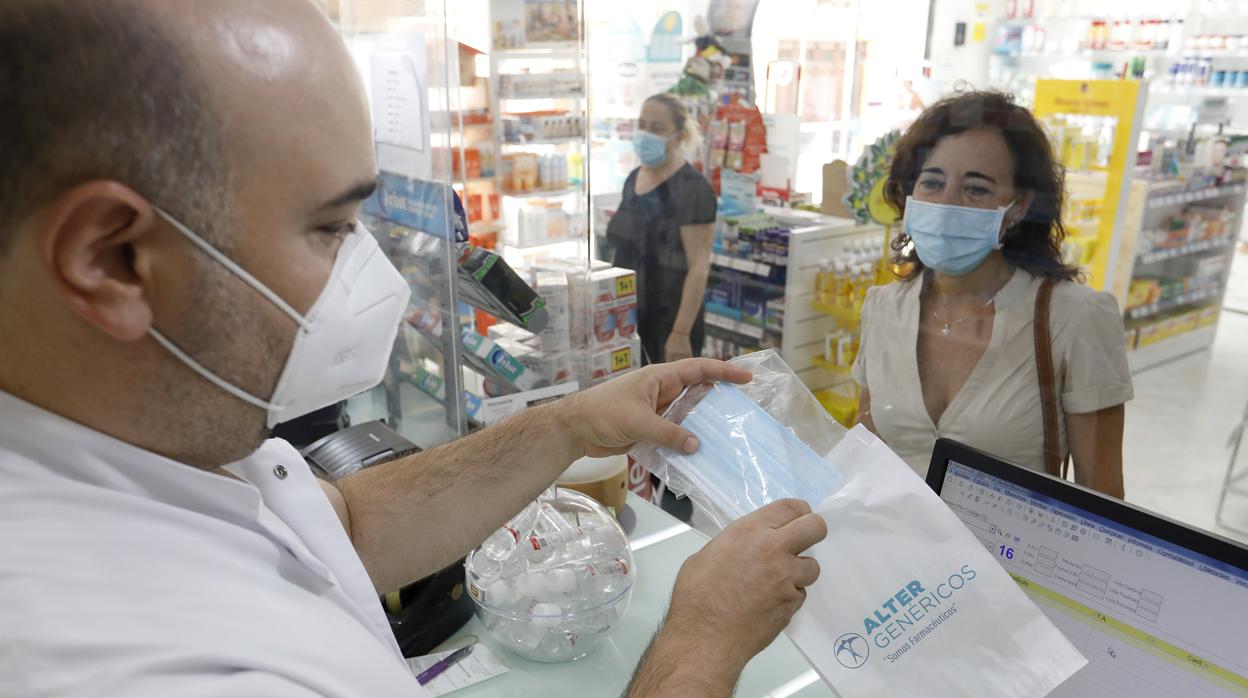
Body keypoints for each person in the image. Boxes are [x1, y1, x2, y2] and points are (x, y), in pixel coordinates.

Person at [0, 2, 826, 696]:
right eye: (331, 227)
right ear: (112, 260)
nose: (374, 273)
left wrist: (570, 425)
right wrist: (700, 642)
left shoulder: (151, 433)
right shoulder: (132, 666)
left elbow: (347, 526)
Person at [853, 91, 1133, 497]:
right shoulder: (882, 308)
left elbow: (1102, 497)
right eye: (932, 182)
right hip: (891, 534)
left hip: (1008, 541)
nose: (947, 204)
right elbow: (864, 452)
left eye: (977, 189)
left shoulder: (1074, 319)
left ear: (1018, 207)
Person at [607, 92, 717, 364]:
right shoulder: (633, 179)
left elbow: (699, 267)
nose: (645, 134)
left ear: (679, 136)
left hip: (670, 323)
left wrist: (680, 333)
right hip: (628, 316)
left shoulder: (693, 189)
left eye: (656, 128)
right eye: (642, 125)